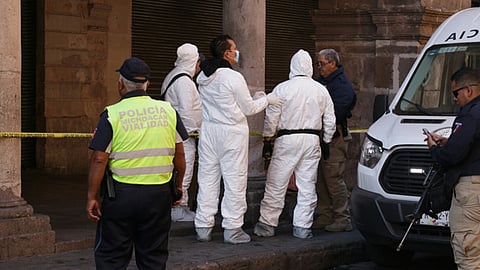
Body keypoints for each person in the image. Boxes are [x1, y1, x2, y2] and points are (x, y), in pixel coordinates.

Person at [86, 57, 188, 269]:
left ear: (120, 83)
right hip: (158, 196)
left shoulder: (111, 114)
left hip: (121, 197)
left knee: (112, 257)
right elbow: (180, 156)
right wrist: (178, 188)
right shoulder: (169, 111)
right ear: (147, 84)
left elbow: (99, 158)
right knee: (153, 256)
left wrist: (92, 196)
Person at [194, 34, 282, 244]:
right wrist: (266, 99)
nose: (237, 52)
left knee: (207, 179)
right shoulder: (233, 78)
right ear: (227, 53)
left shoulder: (202, 77)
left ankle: (203, 227)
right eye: (234, 49)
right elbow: (249, 108)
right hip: (231, 133)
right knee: (235, 180)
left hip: (209, 132)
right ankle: (232, 228)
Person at [253, 49, 336, 239]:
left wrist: (268, 137)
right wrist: (327, 140)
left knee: (276, 183)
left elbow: (272, 116)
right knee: (307, 185)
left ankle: (267, 224)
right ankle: (302, 227)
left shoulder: (283, 88)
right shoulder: (320, 89)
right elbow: (330, 119)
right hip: (312, 140)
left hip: (287, 139)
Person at [425, 67, 480, 270]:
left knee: (469, 257)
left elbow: (451, 156)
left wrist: (434, 149)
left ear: (469, 90)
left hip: (471, 191)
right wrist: (450, 140)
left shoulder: (471, 115)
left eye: (455, 92)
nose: (454, 98)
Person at [313, 48, 356, 232]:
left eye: (322, 63)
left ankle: (342, 217)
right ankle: (325, 214)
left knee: (333, 176)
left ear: (333, 63)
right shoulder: (321, 82)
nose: (320, 67)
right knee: (321, 177)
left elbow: (338, 110)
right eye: (318, 63)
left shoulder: (341, 85)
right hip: (321, 135)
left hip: (335, 136)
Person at [161, 43, 202, 222]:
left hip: (175, 132)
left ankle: (176, 205)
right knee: (183, 172)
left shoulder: (174, 75)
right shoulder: (184, 82)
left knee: (176, 171)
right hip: (184, 136)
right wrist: (194, 132)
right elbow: (186, 111)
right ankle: (179, 207)